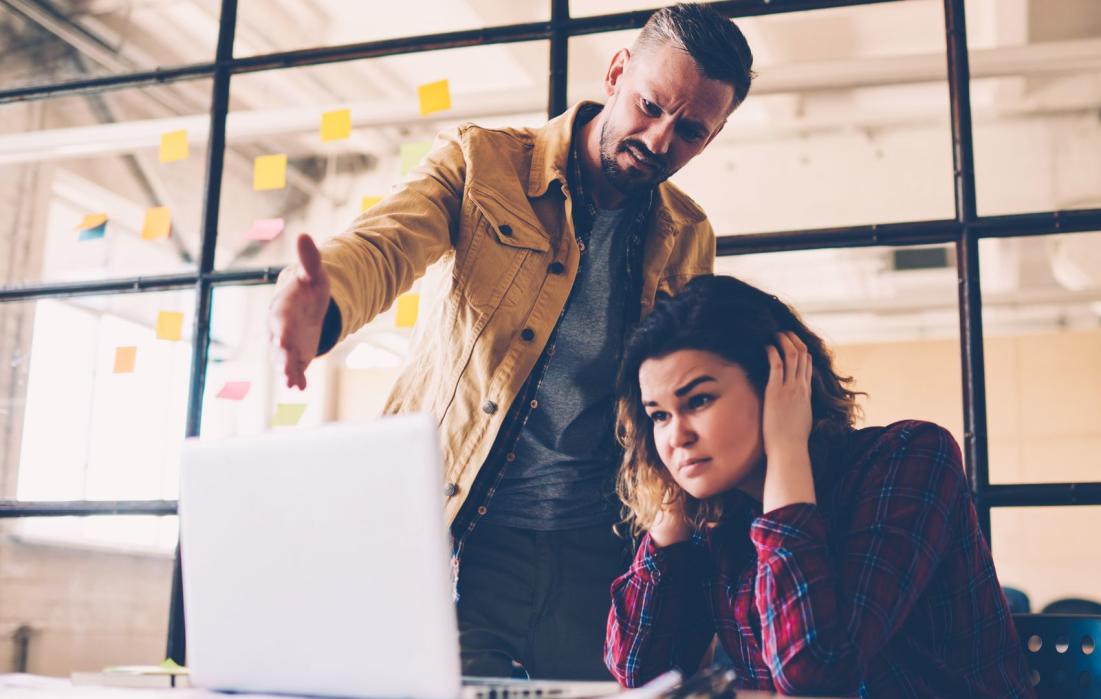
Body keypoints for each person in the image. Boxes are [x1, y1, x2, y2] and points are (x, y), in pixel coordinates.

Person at [266, 3, 755, 681]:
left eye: (691, 131)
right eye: (650, 105)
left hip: (601, 546)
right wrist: (325, 304)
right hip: (462, 530)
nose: (660, 138)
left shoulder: (687, 234)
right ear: (617, 72)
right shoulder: (482, 163)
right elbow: (385, 245)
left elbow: (682, 395)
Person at [605, 275, 1033, 697]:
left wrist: (787, 448)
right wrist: (668, 507)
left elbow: (813, 670)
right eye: (659, 415)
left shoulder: (909, 456)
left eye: (698, 401)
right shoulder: (717, 516)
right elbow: (641, 679)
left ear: (779, 383)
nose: (676, 436)